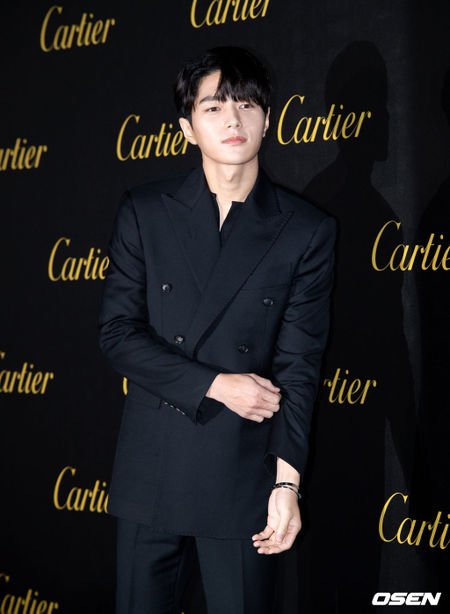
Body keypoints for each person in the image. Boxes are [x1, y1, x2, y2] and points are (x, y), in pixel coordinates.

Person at [98, 45, 336, 614]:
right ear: (187, 128)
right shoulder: (145, 211)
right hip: (153, 471)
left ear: (267, 120)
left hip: (242, 474)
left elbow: (299, 368)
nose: (233, 120)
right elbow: (118, 335)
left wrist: (286, 485)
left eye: (247, 105)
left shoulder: (305, 230)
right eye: (214, 107)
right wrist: (217, 385)